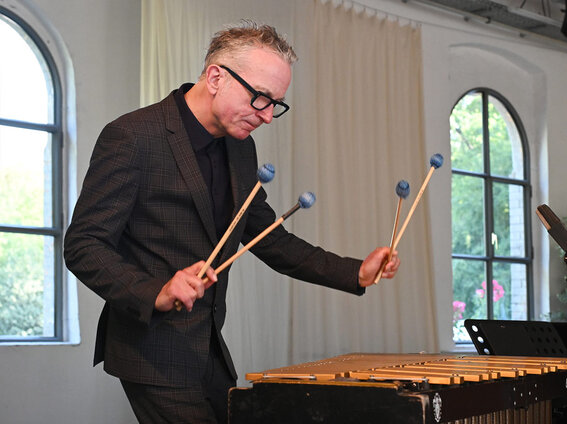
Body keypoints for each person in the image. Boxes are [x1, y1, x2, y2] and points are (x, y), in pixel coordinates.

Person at [64, 21, 400, 424]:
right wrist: (157, 291)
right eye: (260, 98)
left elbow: (271, 239)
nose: (268, 116)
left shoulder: (241, 149)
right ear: (215, 77)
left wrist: (355, 272)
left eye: (276, 104)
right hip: (153, 350)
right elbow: (84, 245)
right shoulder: (133, 136)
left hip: (209, 349)